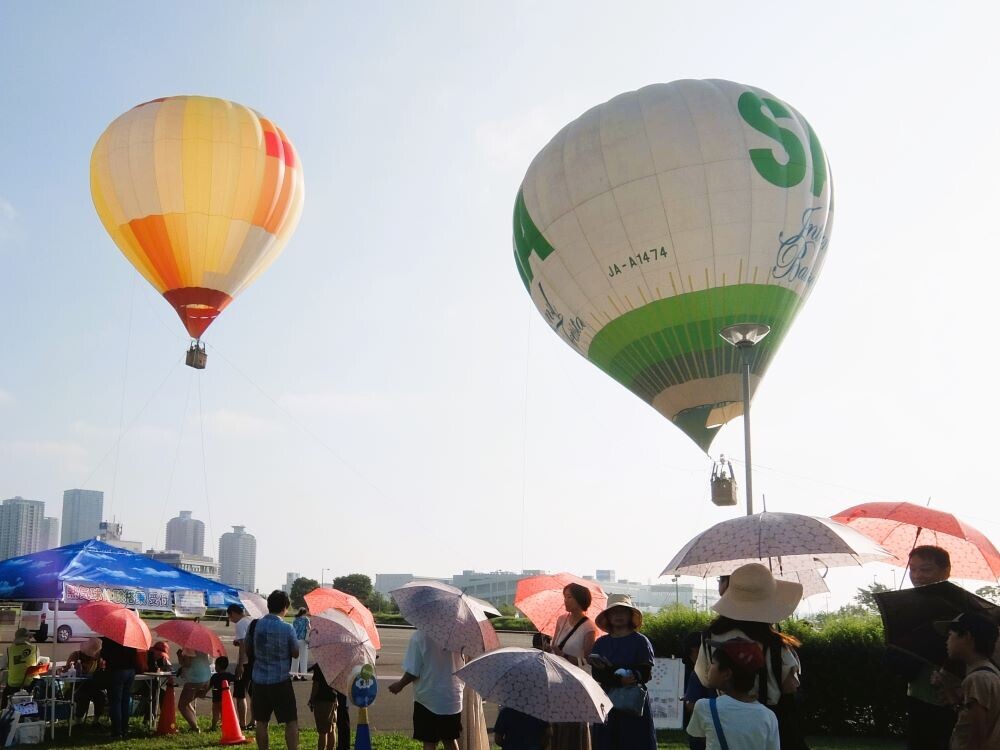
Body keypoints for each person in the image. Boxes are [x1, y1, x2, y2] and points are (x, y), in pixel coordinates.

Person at [694, 562, 807, 750]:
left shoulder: (711, 636)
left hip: (723, 717)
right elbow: (790, 686)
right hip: (770, 718)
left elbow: (707, 680)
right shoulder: (776, 644)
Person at [887, 545, 956, 750]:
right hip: (917, 692)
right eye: (912, 569)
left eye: (925, 570)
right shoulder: (908, 606)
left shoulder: (958, 606)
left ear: (946, 571)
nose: (917, 576)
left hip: (951, 697)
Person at [587, 594, 656, 750]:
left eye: (622, 611)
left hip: (632, 702)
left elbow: (646, 672)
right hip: (607, 700)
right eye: (614, 612)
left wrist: (630, 677)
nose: (618, 615)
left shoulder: (640, 641)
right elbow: (597, 674)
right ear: (608, 616)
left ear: (630, 615)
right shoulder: (601, 643)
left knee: (634, 742)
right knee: (607, 742)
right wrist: (617, 680)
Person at [687, 638, 779, 750]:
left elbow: (700, 738)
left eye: (713, 663)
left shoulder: (705, 707)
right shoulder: (768, 716)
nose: (708, 668)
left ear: (726, 674)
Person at [388, 626, 465, 750]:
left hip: (428, 699)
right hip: (452, 697)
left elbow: (413, 671)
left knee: (429, 741)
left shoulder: (419, 637)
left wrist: (399, 685)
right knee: (450, 739)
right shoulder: (456, 636)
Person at [933, 612, 1000, 749]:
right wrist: (948, 691)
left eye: (950, 635)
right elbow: (969, 719)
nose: (947, 641)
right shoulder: (988, 673)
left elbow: (977, 737)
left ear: (967, 637)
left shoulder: (977, 679)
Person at [549, 583, 597, 750]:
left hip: (575, 681)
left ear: (580, 599)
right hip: (556, 677)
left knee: (572, 725)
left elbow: (588, 659)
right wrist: (549, 649)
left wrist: (565, 656)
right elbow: (554, 644)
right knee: (555, 723)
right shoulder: (561, 620)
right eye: (565, 597)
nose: (566, 601)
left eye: (569, 597)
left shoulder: (589, 627)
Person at [251, 590, 300, 750]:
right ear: (285, 607)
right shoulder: (287, 628)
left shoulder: (255, 625)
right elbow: (295, 652)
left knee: (261, 722)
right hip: (280, 681)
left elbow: (248, 650)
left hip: (258, 681)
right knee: (291, 721)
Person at [681, 631, 714, 750]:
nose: (692, 657)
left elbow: (691, 705)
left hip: (701, 729)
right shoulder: (723, 671)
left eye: (693, 652)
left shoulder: (697, 673)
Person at [100, 635, 137, 740]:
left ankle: (117, 731)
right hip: (130, 670)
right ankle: (124, 729)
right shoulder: (131, 636)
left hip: (116, 670)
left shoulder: (110, 637)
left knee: (116, 702)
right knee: (125, 701)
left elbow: (104, 654)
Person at [62, 637, 105, 727]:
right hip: (75, 687)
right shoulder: (75, 655)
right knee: (83, 696)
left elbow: (100, 671)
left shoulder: (98, 659)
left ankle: (96, 720)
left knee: (101, 696)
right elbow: (67, 670)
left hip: (92, 686)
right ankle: (78, 720)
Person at [229, 603, 255, 731]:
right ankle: (253, 721)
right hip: (255, 662)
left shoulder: (240, 624)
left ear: (233, 613)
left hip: (245, 662)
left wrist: (240, 665)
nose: (231, 620)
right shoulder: (251, 620)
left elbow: (243, 646)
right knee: (253, 694)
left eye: (230, 617)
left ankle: (242, 724)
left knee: (240, 695)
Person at [177, 647, 211, 732]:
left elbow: (187, 663)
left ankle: (195, 727)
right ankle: (194, 723)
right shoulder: (202, 646)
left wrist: (180, 656)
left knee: (181, 705)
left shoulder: (189, 646)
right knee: (186, 702)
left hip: (195, 679)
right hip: (206, 678)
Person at [308, 663, 339, 750]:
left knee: (323, 731)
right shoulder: (336, 664)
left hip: (322, 700)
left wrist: (311, 699)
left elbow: (316, 685)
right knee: (332, 728)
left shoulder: (320, 665)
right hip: (333, 699)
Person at [4, 628, 38, 703]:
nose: (30, 639)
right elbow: (37, 662)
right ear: (26, 638)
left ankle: (4, 711)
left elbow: (3, 665)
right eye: (29, 637)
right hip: (30, 684)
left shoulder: (9, 650)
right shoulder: (35, 649)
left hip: (13, 685)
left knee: (5, 694)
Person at [209, 655, 237, 732]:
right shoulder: (228, 675)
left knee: (215, 714)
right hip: (225, 699)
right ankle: (224, 724)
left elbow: (209, 686)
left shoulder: (214, 676)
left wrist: (203, 692)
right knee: (224, 713)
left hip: (216, 699)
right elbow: (236, 678)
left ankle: (213, 726)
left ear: (217, 666)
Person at [292, 608, 310, 679]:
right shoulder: (306, 619)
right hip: (303, 640)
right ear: (304, 613)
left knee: (295, 658)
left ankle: (294, 675)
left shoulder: (295, 620)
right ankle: (303, 675)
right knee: (303, 658)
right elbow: (309, 628)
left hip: (295, 640)